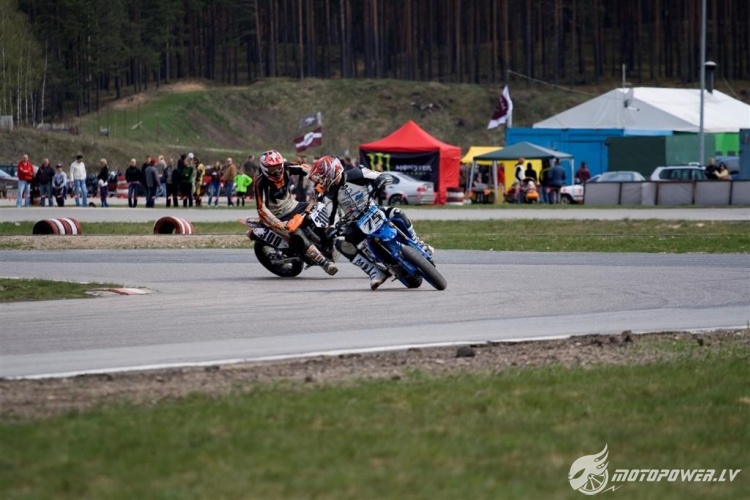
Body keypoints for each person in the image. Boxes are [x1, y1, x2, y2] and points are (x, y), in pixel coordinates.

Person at [308, 155, 433, 290]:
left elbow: (379, 175)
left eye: (322, 177)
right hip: (355, 222)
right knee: (340, 243)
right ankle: (375, 271)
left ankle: (418, 243)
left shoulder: (357, 173)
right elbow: (330, 218)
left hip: (373, 209)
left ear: (332, 172)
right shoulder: (329, 195)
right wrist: (331, 229)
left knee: (397, 212)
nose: (321, 182)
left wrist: (381, 179)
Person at [252, 149, 337, 275]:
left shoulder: (286, 168)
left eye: (278, 167)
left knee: (318, 209)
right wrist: (277, 223)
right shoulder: (260, 183)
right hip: (278, 215)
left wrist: (319, 180)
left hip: (293, 205)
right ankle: (324, 263)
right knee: (295, 232)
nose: (277, 171)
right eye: (272, 169)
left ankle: (325, 241)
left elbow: (305, 169)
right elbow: (261, 208)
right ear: (265, 168)